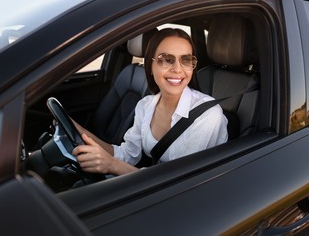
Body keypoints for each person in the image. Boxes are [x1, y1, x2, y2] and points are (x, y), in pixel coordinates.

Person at [72, 28, 228, 176]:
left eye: (186, 60)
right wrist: (79, 131)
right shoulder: (145, 105)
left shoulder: (207, 115)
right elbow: (127, 154)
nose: (177, 69)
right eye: (166, 59)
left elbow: (177, 181)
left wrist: (113, 165)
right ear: (150, 66)